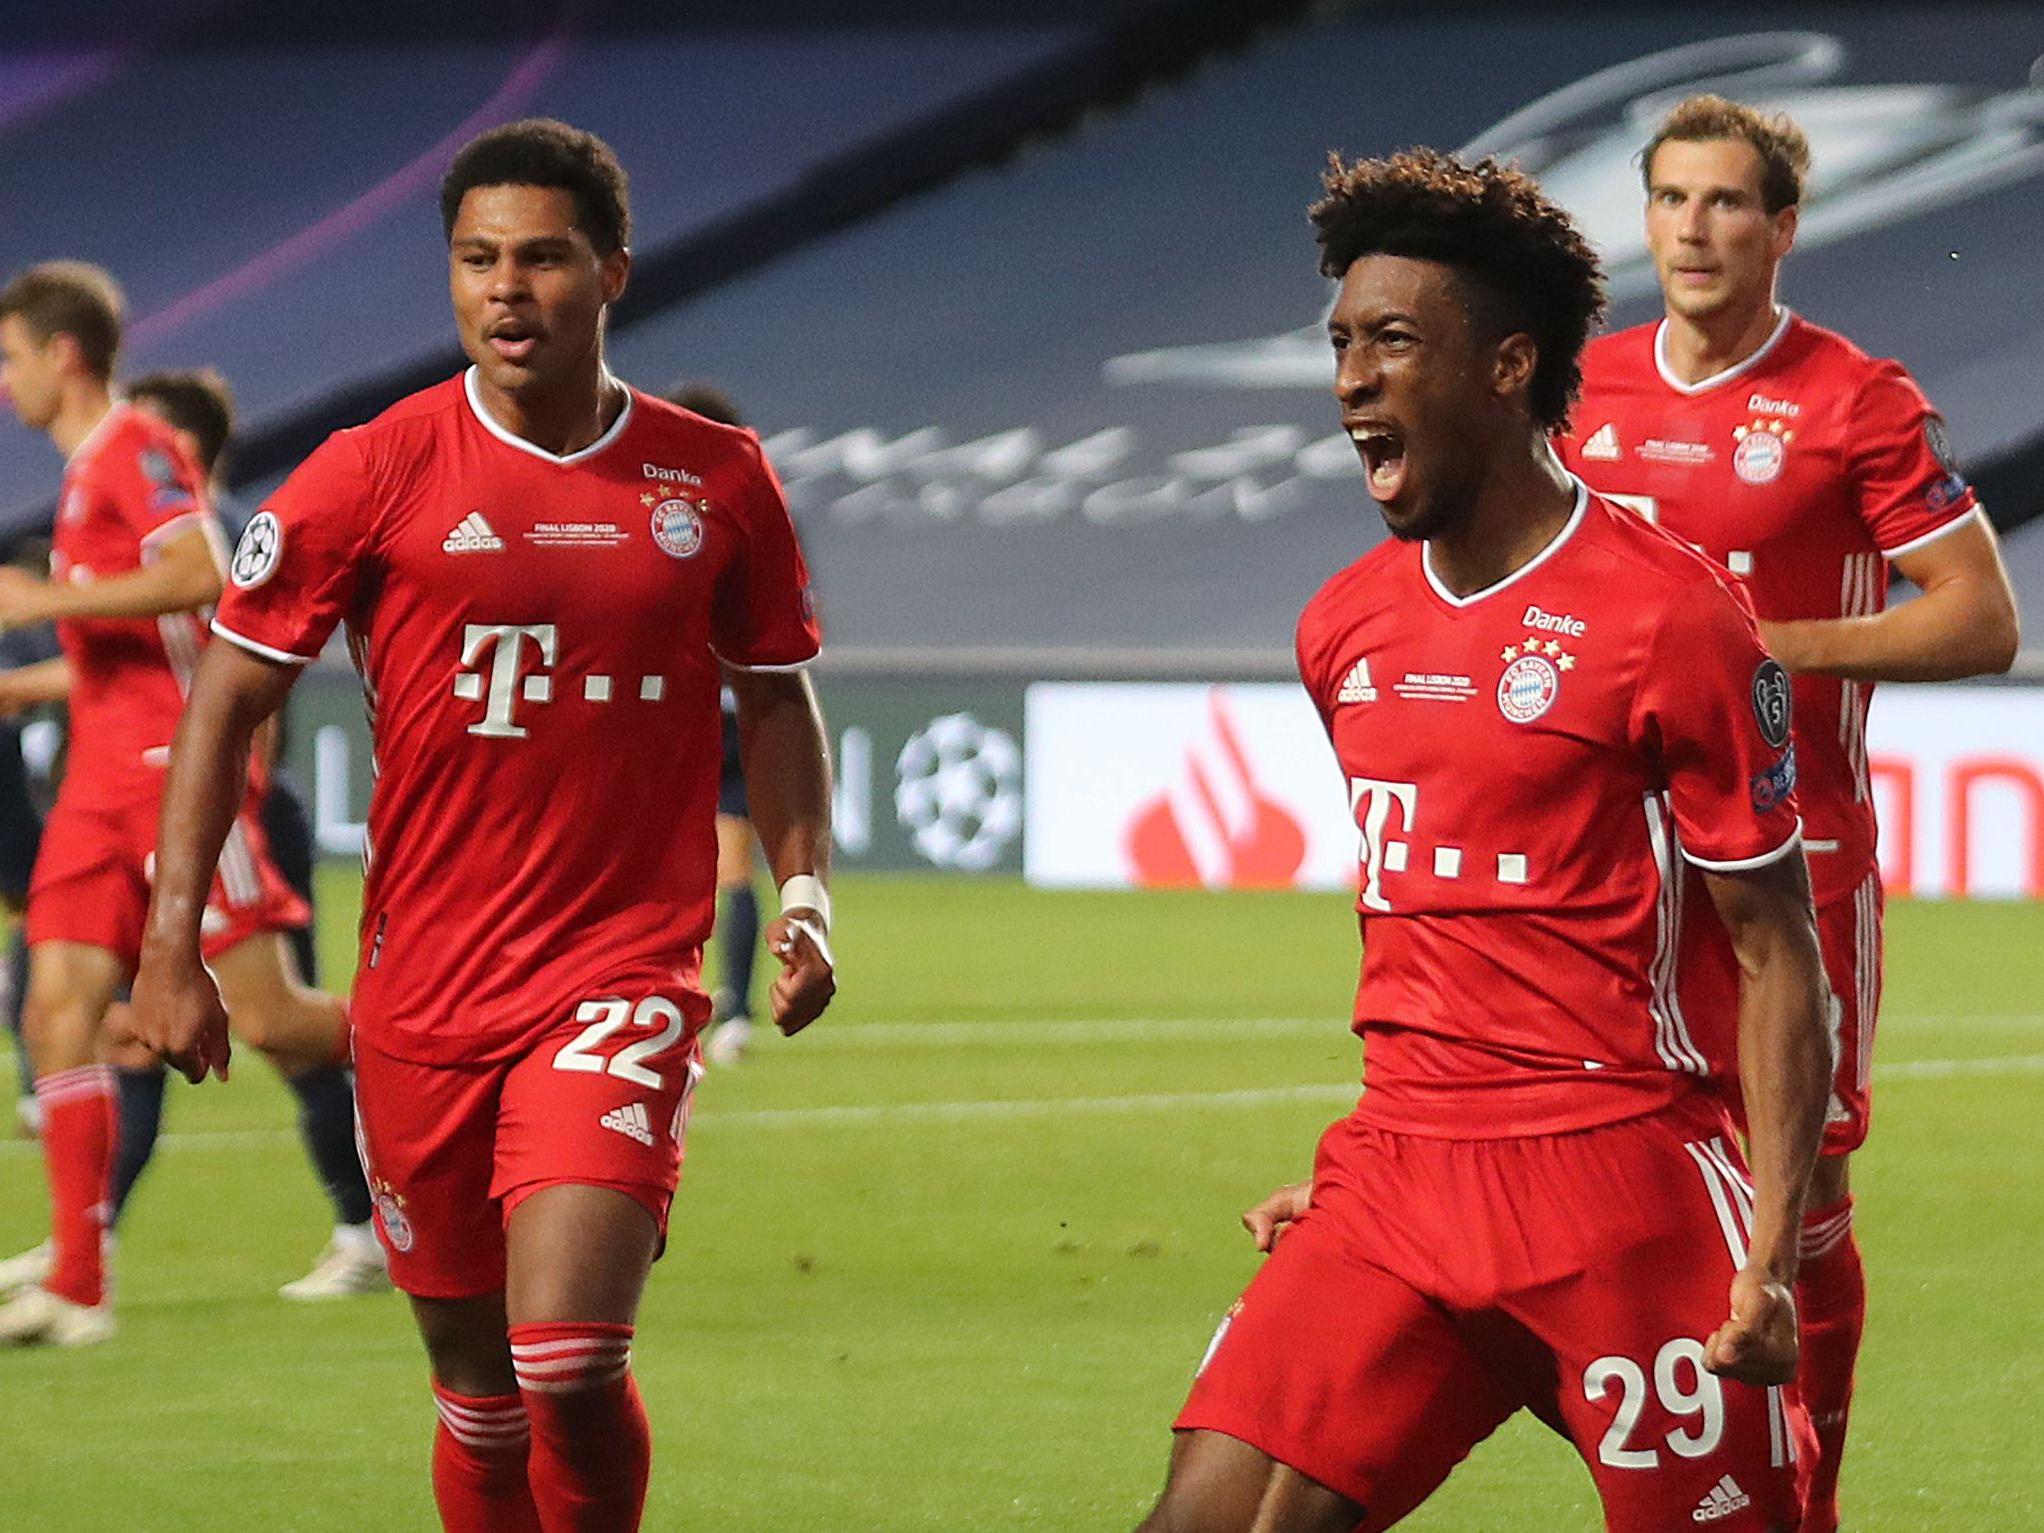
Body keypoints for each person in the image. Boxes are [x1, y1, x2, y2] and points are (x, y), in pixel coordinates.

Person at [131, 119, 836, 1531]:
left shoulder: (717, 478)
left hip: (619, 974)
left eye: (543, 258)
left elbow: (776, 700)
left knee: (569, 1355)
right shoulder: (369, 472)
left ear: (613, 272)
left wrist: (806, 895)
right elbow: (222, 697)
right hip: (427, 992)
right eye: (478, 260)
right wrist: (171, 944)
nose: (508, 289)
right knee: (477, 1387)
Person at [1136, 150, 1833, 1533]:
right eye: (1339, 343)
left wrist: (1770, 1252)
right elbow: (1428, 926)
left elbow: (1779, 954)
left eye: (1394, 340)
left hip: (1622, 1183)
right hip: (1400, 1177)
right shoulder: (1345, 625)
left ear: (1509, 365)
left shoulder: (1672, 618)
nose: (1350, 378)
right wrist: (1359, 1164)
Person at [1555, 95, 2022, 1532]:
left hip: (1797, 857)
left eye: (1728, 204)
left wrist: (1768, 648)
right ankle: (1695, 1472)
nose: (1696, 230)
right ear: (1644, 222)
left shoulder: (1853, 399)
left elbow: (1981, 619)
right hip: (1624, 872)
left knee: (1800, 1191)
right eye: (1672, 202)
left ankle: (1807, 1499)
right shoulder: (1584, 392)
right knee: (1617, 1172)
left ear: (1783, 229)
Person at [0, 263, 363, 1345]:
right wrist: (32, 675)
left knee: (272, 1021)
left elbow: (203, 571)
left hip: (175, 781)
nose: (4, 378)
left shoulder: (137, 450)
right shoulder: (79, 477)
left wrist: (47, 601)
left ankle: (479, 1034)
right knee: (54, 1010)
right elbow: (139, 645)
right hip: (101, 783)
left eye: (11, 355)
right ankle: (78, 1284)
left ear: (64, 355)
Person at [663, 381, 766, 1066]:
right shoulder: (754, 508)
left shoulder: (667, 515)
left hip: (693, 717)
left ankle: (702, 1007)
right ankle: (731, 1010)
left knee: (686, 870)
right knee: (729, 872)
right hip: (732, 715)